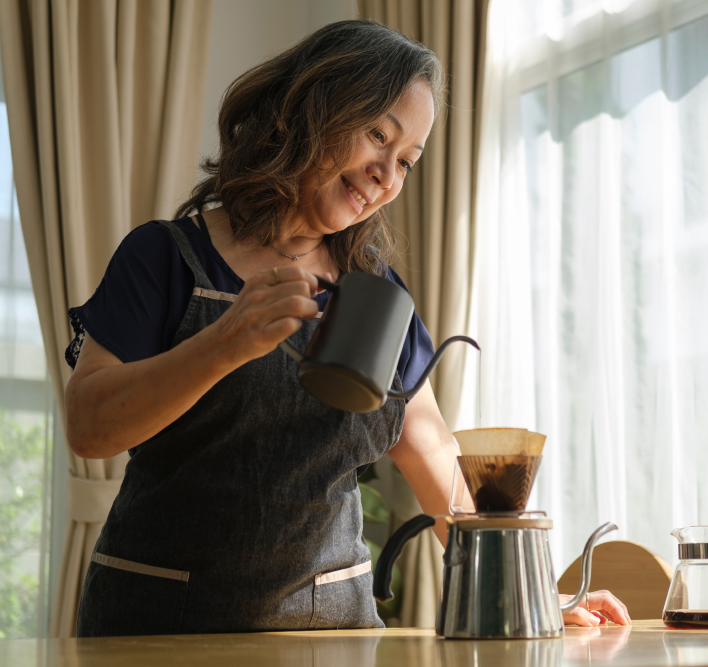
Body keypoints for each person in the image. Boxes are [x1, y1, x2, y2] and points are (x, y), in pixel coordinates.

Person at [66, 19, 630, 636]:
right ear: (311, 110)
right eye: (376, 135)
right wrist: (225, 342)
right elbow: (90, 425)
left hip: (333, 634)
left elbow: (433, 451)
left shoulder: (377, 294)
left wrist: (535, 596)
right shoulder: (165, 257)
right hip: (154, 628)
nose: (387, 174)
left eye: (407, 161)